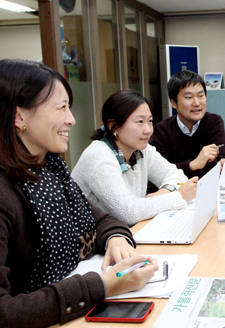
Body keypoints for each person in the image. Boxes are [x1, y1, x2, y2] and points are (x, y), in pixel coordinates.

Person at [0, 59, 158, 328]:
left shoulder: (50, 169)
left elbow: (102, 220)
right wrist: (102, 286)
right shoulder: (6, 193)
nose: (71, 119)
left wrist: (116, 240)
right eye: (61, 107)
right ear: (19, 116)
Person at [72, 90, 198, 226]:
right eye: (140, 121)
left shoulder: (142, 149)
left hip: (128, 233)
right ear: (113, 125)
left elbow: (176, 174)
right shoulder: (99, 157)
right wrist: (178, 196)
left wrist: (163, 193)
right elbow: (129, 213)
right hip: (95, 241)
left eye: (150, 121)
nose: (148, 129)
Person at [149, 70, 225, 179]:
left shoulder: (213, 122)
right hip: (175, 192)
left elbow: (216, 167)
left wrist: (179, 169)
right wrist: (193, 165)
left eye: (201, 96)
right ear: (173, 103)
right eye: (189, 97)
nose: (197, 103)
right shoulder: (161, 132)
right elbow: (160, 173)